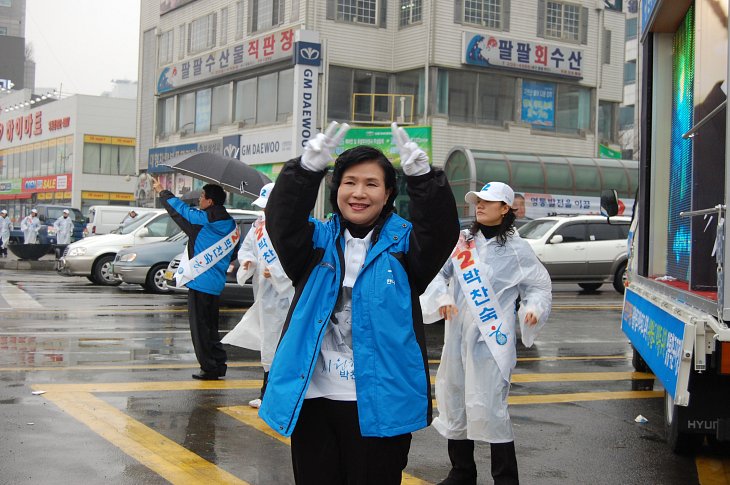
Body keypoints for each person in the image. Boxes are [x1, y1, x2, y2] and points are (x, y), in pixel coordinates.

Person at [259, 122, 459, 484]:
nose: (359, 193)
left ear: (387, 194)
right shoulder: (315, 243)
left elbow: (440, 232)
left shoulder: (405, 247)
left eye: (371, 184)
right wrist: (304, 171)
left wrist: (424, 180)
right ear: (336, 189)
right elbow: (282, 221)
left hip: (381, 406)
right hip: (313, 401)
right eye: (350, 182)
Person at [422, 182, 552, 485]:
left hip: (493, 339)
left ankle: (505, 478)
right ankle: (462, 471)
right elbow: (438, 274)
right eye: (477, 201)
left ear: (505, 208)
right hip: (457, 336)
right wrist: (442, 297)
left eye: (487, 202)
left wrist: (533, 309)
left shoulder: (518, 249)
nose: (478, 206)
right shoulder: (462, 242)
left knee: (492, 407)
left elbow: (538, 286)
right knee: (456, 399)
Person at [153, 178, 238, 380]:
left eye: (202, 196)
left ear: (210, 201)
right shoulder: (231, 224)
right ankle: (218, 364)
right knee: (211, 328)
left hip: (200, 283)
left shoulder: (203, 221)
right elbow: (233, 253)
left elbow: (179, 211)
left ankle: (209, 368)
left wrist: (162, 192)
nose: (199, 200)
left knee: (200, 330)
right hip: (216, 284)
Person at [222, 182, 294, 409]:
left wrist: (275, 272)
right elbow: (246, 250)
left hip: (285, 296)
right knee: (268, 343)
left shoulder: (292, 226)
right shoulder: (258, 227)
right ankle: (267, 393)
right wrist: (248, 262)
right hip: (264, 295)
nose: (264, 211)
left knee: (282, 345)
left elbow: (299, 259)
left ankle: (276, 396)